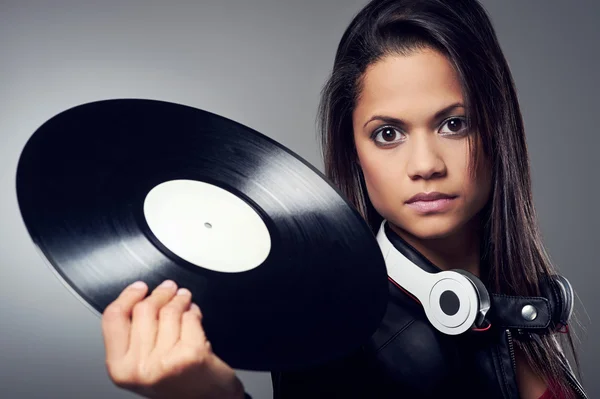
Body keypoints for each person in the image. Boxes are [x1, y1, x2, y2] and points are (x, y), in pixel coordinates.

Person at [99, 0, 588, 398]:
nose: (425, 164)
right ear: (354, 150)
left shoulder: (526, 301)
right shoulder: (330, 340)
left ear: (498, 130)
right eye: (388, 133)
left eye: (453, 124)